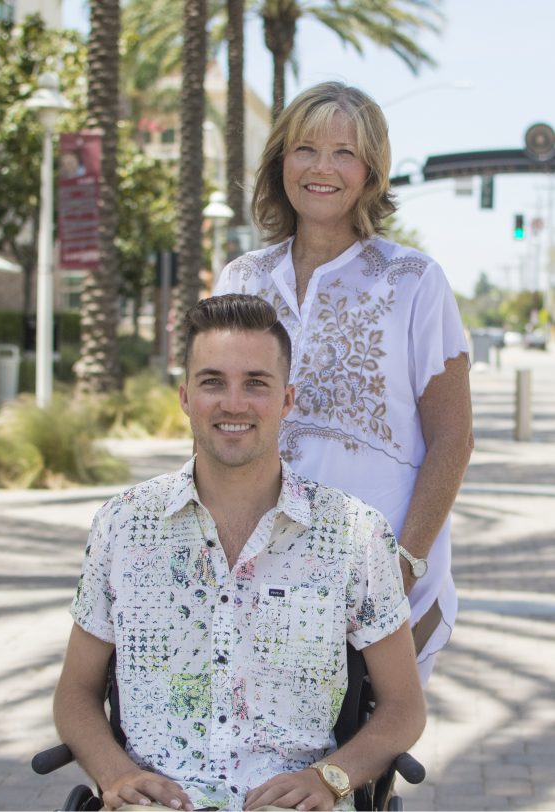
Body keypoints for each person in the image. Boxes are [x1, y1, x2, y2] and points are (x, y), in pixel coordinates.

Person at [53, 294, 425, 812]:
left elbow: (404, 709)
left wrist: (332, 777)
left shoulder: (354, 535)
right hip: (156, 803)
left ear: (287, 399)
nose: (233, 403)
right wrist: (115, 774)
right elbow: (74, 695)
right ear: (185, 396)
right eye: (212, 382)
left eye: (256, 383)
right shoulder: (122, 526)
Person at [214, 82, 474, 685]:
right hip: (257, 571)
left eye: (344, 153)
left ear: (371, 173)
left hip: (377, 576)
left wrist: (400, 569)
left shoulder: (414, 281)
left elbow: (453, 439)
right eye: (306, 148)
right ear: (281, 161)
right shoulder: (241, 278)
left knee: (357, 762)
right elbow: (215, 424)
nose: (322, 168)